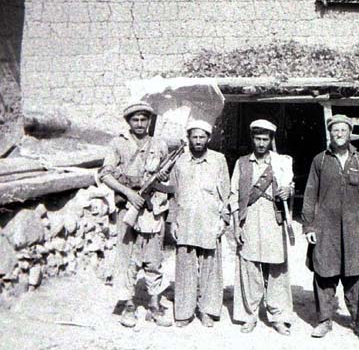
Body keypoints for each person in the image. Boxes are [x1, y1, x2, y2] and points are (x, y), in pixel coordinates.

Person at [302, 114, 359, 338]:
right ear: (330, 133)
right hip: (325, 228)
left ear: (349, 133)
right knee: (324, 273)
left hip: (354, 228)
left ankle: (357, 320)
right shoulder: (320, 160)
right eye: (335, 130)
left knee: (354, 274)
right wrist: (309, 227)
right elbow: (309, 194)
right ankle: (325, 320)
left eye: (343, 130)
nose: (339, 134)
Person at [99, 101, 172, 328]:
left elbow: (168, 180)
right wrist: (128, 194)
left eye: (144, 120)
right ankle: (128, 305)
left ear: (150, 121)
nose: (140, 124)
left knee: (154, 258)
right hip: (128, 209)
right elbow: (105, 175)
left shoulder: (159, 144)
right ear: (128, 122)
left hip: (152, 209)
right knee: (127, 258)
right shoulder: (117, 144)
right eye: (135, 120)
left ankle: (154, 305)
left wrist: (161, 181)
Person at [230, 119, 295, 336]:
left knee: (277, 269)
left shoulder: (281, 162)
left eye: (265, 139)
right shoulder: (242, 163)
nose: (260, 143)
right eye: (257, 139)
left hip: (272, 220)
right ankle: (249, 315)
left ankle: (278, 316)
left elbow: (290, 185)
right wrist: (236, 225)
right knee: (249, 268)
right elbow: (233, 195)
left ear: (270, 140)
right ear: (252, 139)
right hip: (249, 220)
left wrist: (288, 192)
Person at [168, 119, 229, 328]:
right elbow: (173, 194)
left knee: (210, 267)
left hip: (210, 220)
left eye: (202, 137)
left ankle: (207, 310)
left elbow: (227, 194)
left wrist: (224, 219)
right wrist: (172, 221)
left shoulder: (219, 160)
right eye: (194, 137)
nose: (198, 141)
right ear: (188, 139)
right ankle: (184, 311)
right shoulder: (180, 162)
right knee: (185, 266)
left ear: (209, 138)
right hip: (185, 221)